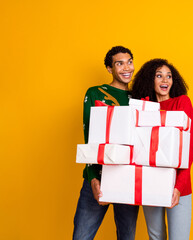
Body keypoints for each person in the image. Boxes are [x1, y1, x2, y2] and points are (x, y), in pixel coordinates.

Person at [73, 46, 139, 240]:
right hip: (98, 177)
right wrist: (93, 177)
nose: (126, 67)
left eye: (129, 61)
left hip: (127, 179)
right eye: (119, 63)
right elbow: (90, 135)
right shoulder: (96, 93)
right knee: (81, 236)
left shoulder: (138, 97)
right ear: (110, 69)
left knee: (127, 237)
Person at [131, 58, 193, 240]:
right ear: (149, 80)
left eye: (168, 76)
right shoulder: (144, 108)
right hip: (150, 182)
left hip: (179, 185)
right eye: (159, 76)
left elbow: (189, 148)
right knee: (155, 236)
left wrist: (178, 186)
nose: (165, 81)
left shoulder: (182, 103)